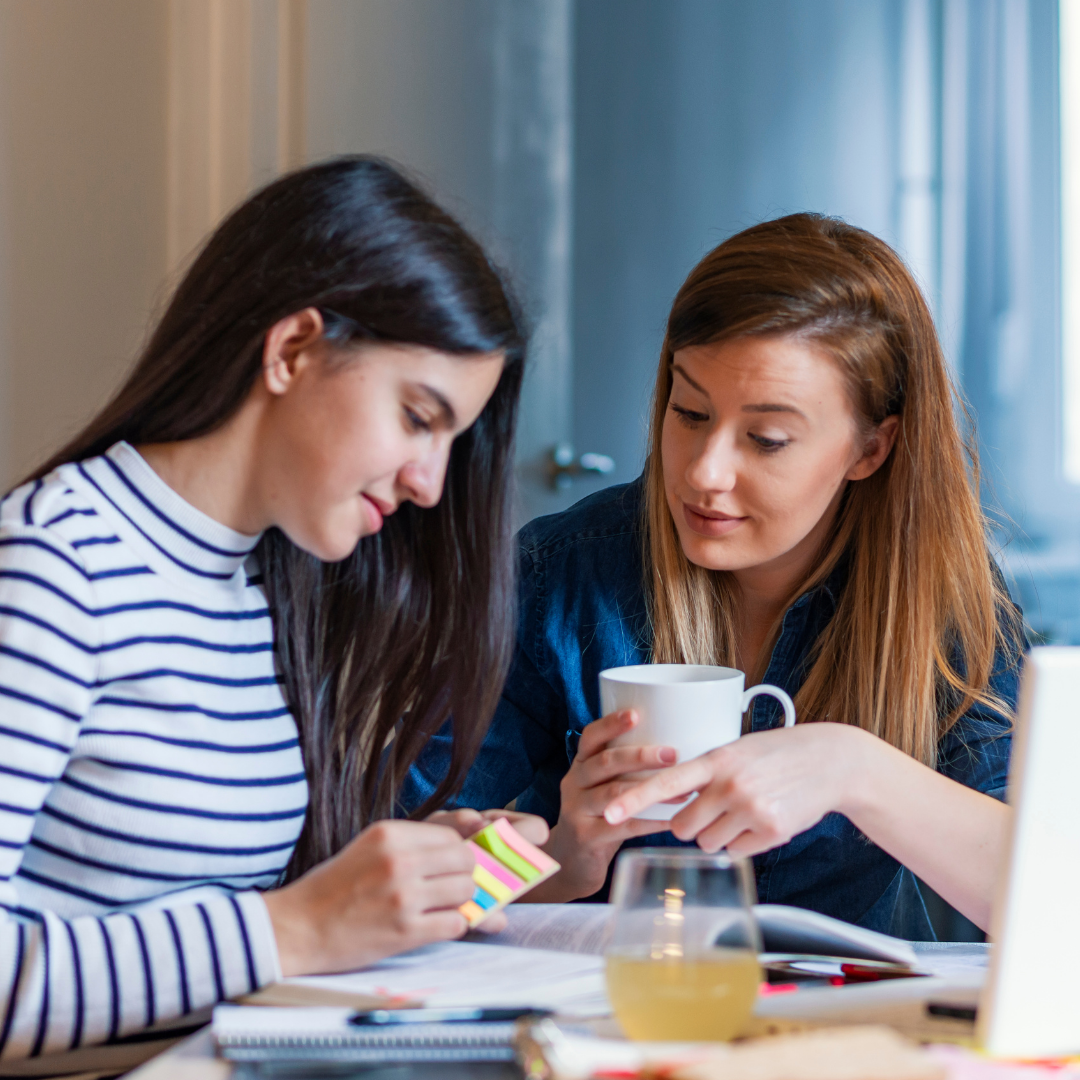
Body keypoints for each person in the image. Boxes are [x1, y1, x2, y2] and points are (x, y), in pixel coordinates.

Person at [0, 156, 548, 1059]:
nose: (430, 483)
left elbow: (202, 913)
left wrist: (398, 884)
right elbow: (251, 934)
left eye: (452, 440)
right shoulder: (57, 565)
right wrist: (295, 928)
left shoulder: (264, 585)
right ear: (292, 349)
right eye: (419, 416)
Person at [404, 213, 1024, 940]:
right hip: (610, 1025)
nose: (703, 472)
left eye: (767, 439)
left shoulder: (937, 604)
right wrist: (566, 857)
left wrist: (856, 770)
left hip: (832, 1038)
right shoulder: (555, 579)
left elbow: (1048, 902)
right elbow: (417, 894)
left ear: (872, 447)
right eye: (689, 411)